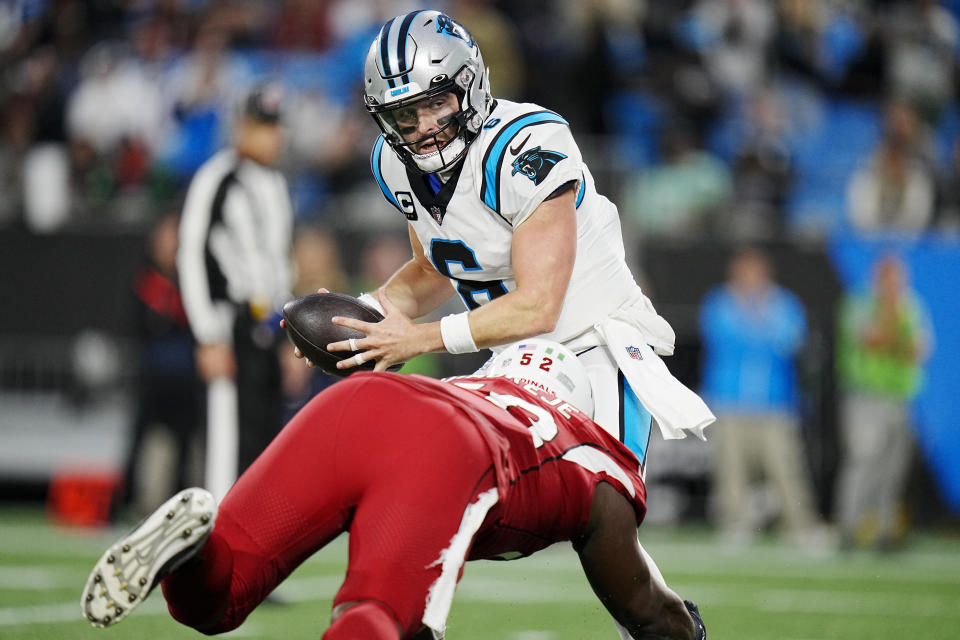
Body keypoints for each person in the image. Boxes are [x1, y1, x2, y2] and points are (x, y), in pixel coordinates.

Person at [298, 9, 714, 468]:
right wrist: (356, 322)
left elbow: (540, 305)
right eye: (404, 115)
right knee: (449, 484)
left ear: (469, 84)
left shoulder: (527, 146)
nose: (424, 128)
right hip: (516, 359)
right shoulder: (394, 164)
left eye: (436, 103)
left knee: (601, 512)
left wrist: (419, 338)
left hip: (594, 347)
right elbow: (434, 269)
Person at [81, 340, 707, 640]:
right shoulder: (593, 453)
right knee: (383, 620)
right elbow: (647, 609)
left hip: (362, 403)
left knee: (216, 601)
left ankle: (193, 552)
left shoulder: (475, 383)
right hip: (451, 447)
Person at [176, 80, 294, 502]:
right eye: (263, 125)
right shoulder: (217, 177)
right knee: (226, 448)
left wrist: (289, 335)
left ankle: (251, 548)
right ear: (241, 127)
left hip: (268, 326)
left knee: (263, 444)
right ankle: (217, 545)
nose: (272, 135)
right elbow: (191, 254)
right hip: (230, 324)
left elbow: (279, 264)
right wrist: (207, 334)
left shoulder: (276, 184)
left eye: (276, 125)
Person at [699, 247, 827, 548]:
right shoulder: (720, 303)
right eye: (743, 272)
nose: (749, 279)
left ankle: (801, 526)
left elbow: (791, 341)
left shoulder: (784, 304)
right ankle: (734, 523)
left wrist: (759, 319)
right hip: (729, 401)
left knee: (787, 470)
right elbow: (723, 336)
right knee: (730, 471)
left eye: (755, 273)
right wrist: (758, 324)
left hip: (775, 403)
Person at [834, 253, 933, 551]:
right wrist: (894, 322)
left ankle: (885, 530)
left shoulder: (912, 305)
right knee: (865, 462)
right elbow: (873, 340)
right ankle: (849, 528)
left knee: (894, 467)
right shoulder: (860, 303)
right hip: (866, 396)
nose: (895, 284)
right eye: (890, 278)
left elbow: (919, 351)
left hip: (901, 397)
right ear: (879, 277)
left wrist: (895, 336)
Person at [118, 212, 201, 516]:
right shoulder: (146, 283)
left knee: (191, 452)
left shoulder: (195, 284)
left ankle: (190, 508)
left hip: (190, 385)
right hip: (155, 384)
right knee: (149, 448)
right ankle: (138, 505)